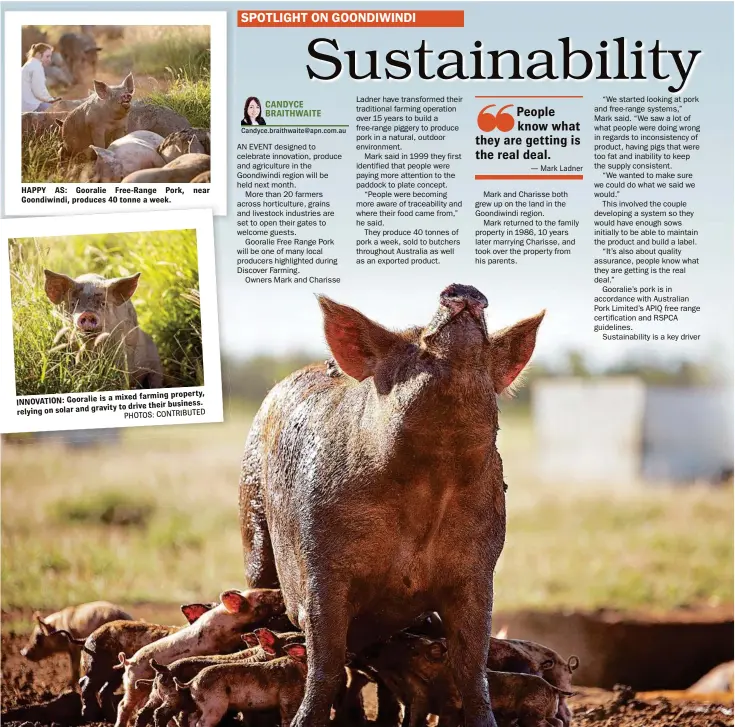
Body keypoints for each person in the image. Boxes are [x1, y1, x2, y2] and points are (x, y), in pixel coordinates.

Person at [22, 42, 60, 112]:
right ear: (38, 54)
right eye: (47, 56)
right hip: (32, 106)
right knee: (59, 111)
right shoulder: (36, 67)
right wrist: (50, 100)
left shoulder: (29, 64)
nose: (49, 60)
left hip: (24, 105)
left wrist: (50, 98)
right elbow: (38, 91)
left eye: (50, 57)